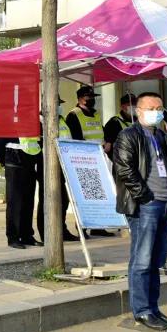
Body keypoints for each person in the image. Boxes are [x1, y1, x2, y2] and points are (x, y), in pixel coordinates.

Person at [113, 91, 167, 331]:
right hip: (145, 205)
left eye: (159, 108)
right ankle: (142, 311)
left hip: (164, 203)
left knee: (156, 260)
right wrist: (145, 197)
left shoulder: (161, 135)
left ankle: (153, 308)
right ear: (138, 111)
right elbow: (125, 169)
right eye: (151, 108)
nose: (156, 112)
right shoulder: (128, 135)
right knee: (142, 260)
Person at [34, 99, 80, 243]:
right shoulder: (39, 121)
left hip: (63, 163)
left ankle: (61, 230)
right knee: (46, 200)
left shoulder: (61, 119)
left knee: (63, 200)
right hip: (46, 164)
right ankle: (46, 233)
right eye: (57, 104)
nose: (59, 107)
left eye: (59, 104)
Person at [69, 85, 111, 236]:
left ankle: (98, 226)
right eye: (89, 97)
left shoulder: (96, 113)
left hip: (99, 158)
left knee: (99, 194)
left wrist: (107, 142)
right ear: (80, 99)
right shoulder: (74, 115)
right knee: (84, 195)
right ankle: (82, 228)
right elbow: (75, 138)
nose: (92, 100)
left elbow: (101, 131)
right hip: (84, 159)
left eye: (93, 97)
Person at [0, 128, 42, 249]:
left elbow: (38, 142)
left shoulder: (33, 122)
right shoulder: (10, 122)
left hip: (29, 163)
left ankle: (27, 235)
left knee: (28, 201)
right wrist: (4, 161)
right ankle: (13, 237)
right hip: (14, 162)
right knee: (14, 202)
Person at [103, 92, 137, 162]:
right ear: (122, 106)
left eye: (134, 104)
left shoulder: (139, 120)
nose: (133, 107)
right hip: (122, 160)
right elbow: (109, 147)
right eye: (129, 105)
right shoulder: (113, 122)